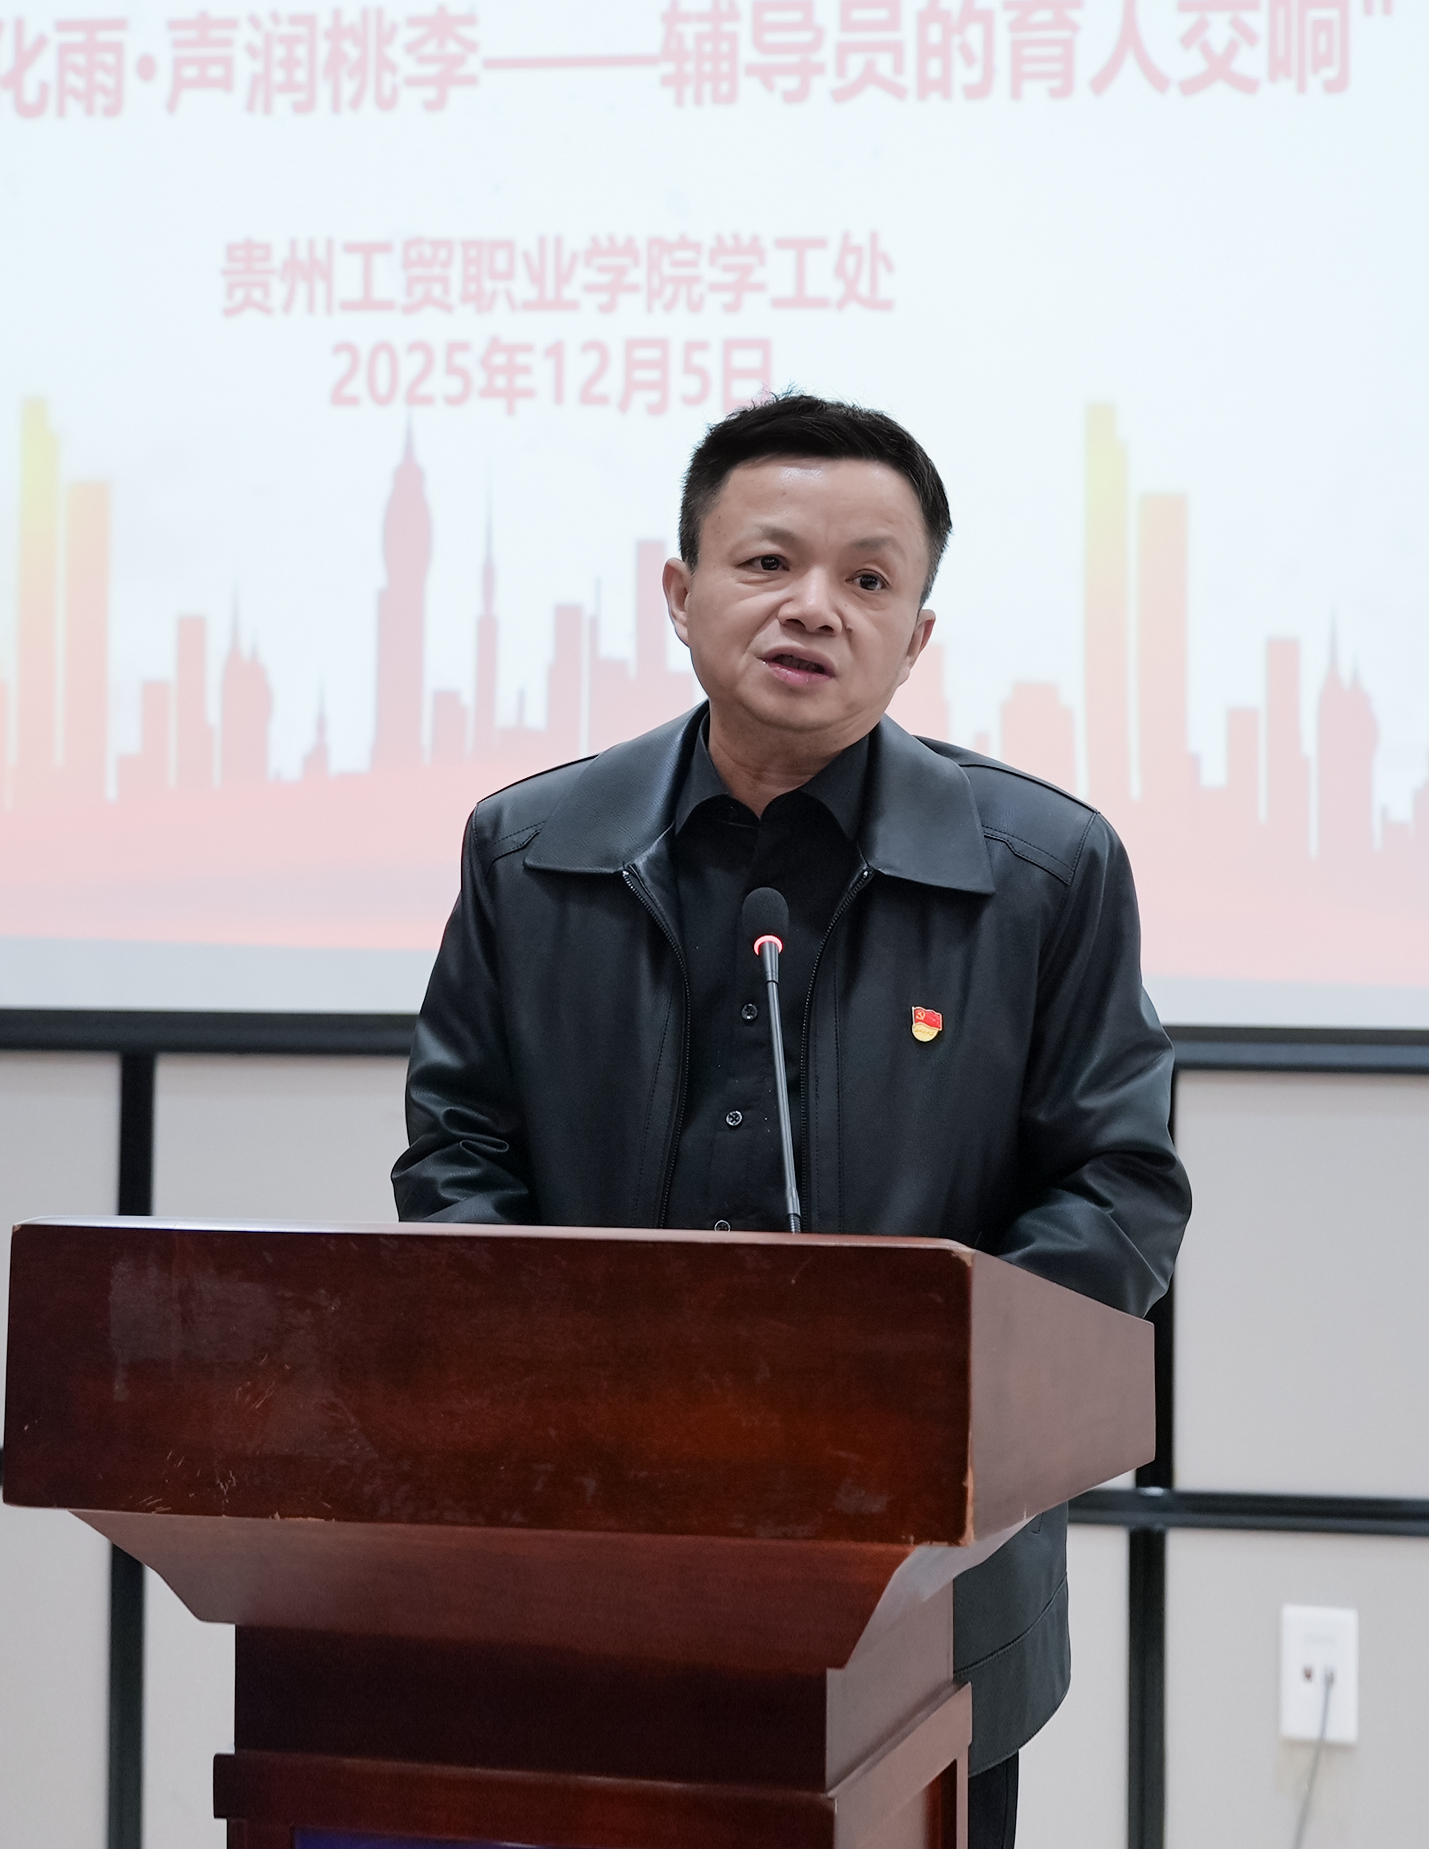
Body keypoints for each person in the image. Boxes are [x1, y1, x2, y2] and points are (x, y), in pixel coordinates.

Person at [395, 393, 1191, 1849]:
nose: (814, 607)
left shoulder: (1044, 873)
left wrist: (931, 1389)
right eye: (768, 563)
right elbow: (459, 1149)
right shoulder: (530, 850)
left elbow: (1120, 1188)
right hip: (592, 1543)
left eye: (868, 579)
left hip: (928, 1575)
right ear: (681, 591)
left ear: (917, 636)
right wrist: (543, 1378)